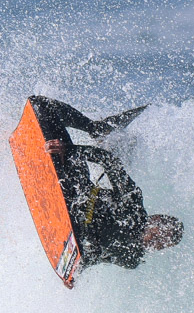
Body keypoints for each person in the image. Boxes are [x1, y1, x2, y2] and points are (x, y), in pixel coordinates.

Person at [27, 95, 183, 270]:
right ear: (155, 219)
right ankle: (95, 128)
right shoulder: (132, 204)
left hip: (75, 231)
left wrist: (76, 270)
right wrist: (68, 150)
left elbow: (97, 256)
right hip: (74, 186)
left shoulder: (130, 257)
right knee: (42, 105)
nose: (157, 242)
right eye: (160, 234)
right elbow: (109, 161)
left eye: (163, 244)